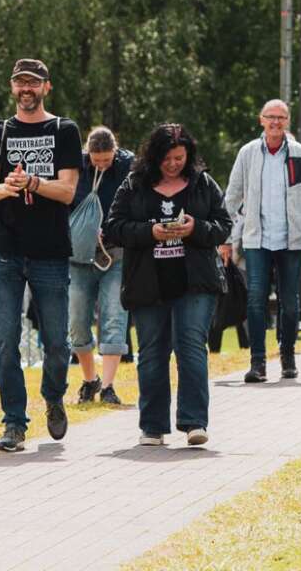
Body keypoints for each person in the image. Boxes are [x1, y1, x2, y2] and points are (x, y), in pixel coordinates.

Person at [0, 58, 82, 452]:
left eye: (33, 83)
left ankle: (53, 397)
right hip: (5, 251)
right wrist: (9, 186)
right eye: (20, 82)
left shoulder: (64, 130)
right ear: (11, 87)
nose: (26, 89)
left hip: (50, 251)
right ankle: (14, 423)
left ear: (46, 88)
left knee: (56, 341)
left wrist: (33, 182)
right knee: (5, 339)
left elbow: (69, 191)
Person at [104, 123, 232, 447]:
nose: (174, 164)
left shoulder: (203, 183)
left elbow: (223, 225)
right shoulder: (134, 184)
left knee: (191, 348)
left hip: (195, 282)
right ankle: (152, 425)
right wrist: (151, 232)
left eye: (179, 157)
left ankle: (194, 423)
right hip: (148, 283)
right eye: (167, 159)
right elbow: (113, 227)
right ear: (154, 157)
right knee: (151, 353)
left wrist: (196, 228)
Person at [223, 98, 301, 384]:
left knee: (289, 303)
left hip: (292, 240)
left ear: (287, 121)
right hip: (257, 240)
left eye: (281, 117)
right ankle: (258, 363)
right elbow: (232, 197)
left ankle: (288, 357)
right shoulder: (248, 153)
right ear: (261, 120)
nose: (276, 122)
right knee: (255, 301)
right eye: (271, 117)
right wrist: (228, 239)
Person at [70, 126, 133, 405]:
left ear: (115, 152)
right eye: (97, 161)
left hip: (115, 253)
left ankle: (108, 386)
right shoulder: (75, 166)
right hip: (79, 256)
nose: (102, 165)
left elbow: (132, 204)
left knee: (114, 316)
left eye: (107, 160)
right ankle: (89, 380)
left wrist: (109, 228)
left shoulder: (128, 166)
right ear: (88, 153)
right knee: (77, 320)